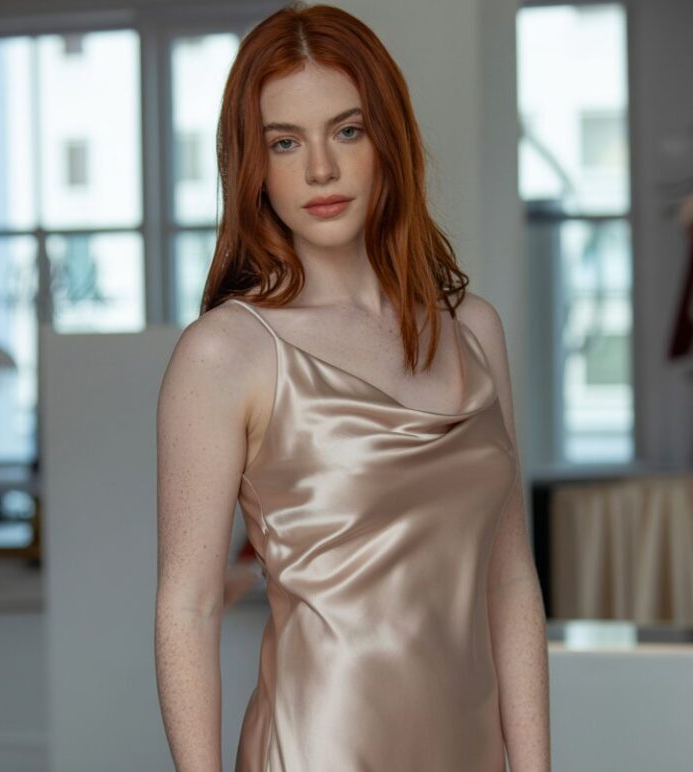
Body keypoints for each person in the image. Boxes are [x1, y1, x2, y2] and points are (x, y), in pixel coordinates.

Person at [154, 3, 551, 771]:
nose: (321, 171)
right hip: (315, 751)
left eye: (346, 130)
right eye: (285, 142)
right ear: (253, 163)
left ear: (387, 140)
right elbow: (190, 605)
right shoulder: (226, 354)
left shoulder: (476, 331)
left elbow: (510, 583)